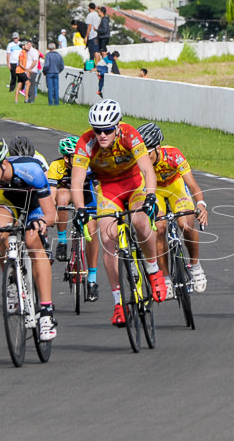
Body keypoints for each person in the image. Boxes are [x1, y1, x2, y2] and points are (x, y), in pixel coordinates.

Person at [68, 99, 168, 327]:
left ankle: (154, 272)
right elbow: (77, 180)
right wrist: (80, 209)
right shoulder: (86, 142)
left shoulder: (130, 134)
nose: (102, 135)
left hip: (134, 184)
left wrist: (151, 195)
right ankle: (118, 303)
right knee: (107, 238)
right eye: (97, 130)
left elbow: (147, 169)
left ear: (117, 126)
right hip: (108, 189)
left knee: (141, 222)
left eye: (107, 130)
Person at [0, 133, 58, 341]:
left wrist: (42, 222)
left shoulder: (31, 170)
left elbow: (50, 213)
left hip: (34, 202)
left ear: (4, 163)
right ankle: (12, 281)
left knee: (32, 238)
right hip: (9, 201)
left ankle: (46, 312)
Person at [136, 122, 208, 293]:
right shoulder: (139, 162)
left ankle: (195, 266)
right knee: (160, 227)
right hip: (155, 191)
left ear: (158, 148)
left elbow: (193, 186)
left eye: (148, 154)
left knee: (186, 225)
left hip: (175, 187)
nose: (144, 159)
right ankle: (166, 278)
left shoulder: (174, 155)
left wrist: (201, 204)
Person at [48, 136, 101, 301]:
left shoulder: (90, 164)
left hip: (86, 196)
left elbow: (100, 189)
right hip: (67, 194)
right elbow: (51, 194)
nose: (79, 160)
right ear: (65, 158)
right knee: (62, 197)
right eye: (74, 157)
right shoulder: (56, 166)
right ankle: (62, 242)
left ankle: (92, 279)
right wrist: (51, 213)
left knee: (92, 231)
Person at [42, 42, 65, 106]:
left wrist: (44, 72)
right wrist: (58, 71)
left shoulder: (48, 55)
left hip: (49, 73)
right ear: (55, 47)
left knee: (50, 88)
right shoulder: (58, 55)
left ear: (48, 48)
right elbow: (62, 66)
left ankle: (50, 102)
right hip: (56, 73)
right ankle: (56, 102)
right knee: (56, 88)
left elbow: (46, 65)